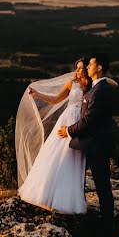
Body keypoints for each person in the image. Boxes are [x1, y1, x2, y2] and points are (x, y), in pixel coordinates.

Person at [17, 58, 91, 214]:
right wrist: (38, 95)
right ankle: (45, 192)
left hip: (81, 123)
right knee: (56, 154)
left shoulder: (93, 85)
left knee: (74, 157)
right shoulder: (72, 84)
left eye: (82, 68)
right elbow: (56, 99)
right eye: (77, 68)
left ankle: (68, 197)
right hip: (67, 120)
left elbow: (110, 83)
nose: (78, 71)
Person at [58, 53, 115, 237]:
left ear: (99, 68)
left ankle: (107, 231)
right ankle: (86, 219)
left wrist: (69, 131)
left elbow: (89, 120)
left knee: (102, 187)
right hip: (92, 144)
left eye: (90, 64)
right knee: (87, 181)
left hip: (97, 145)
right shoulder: (97, 87)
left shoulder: (99, 90)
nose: (88, 67)